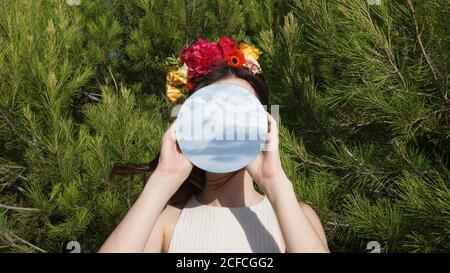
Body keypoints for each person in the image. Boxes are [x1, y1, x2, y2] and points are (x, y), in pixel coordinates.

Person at [99, 36, 329, 253]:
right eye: (214, 113)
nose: (229, 126)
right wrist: (164, 179)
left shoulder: (295, 217)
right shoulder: (165, 222)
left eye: (243, 112)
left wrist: (274, 181)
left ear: (266, 124)